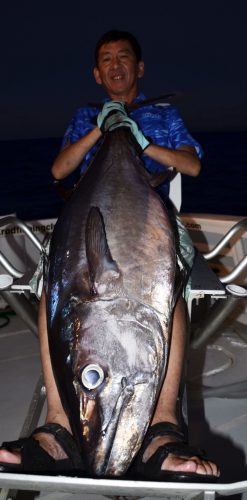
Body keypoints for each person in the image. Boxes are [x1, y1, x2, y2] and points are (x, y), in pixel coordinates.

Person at [0, 30, 219, 481]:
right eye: (106, 59)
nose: (116, 64)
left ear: (139, 68)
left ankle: (162, 428)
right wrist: (103, 127)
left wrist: (140, 141)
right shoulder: (85, 116)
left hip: (149, 228)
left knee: (168, 292)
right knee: (54, 291)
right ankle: (59, 428)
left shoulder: (163, 114)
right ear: (97, 74)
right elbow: (59, 169)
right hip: (86, 228)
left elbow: (192, 164)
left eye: (124, 57)